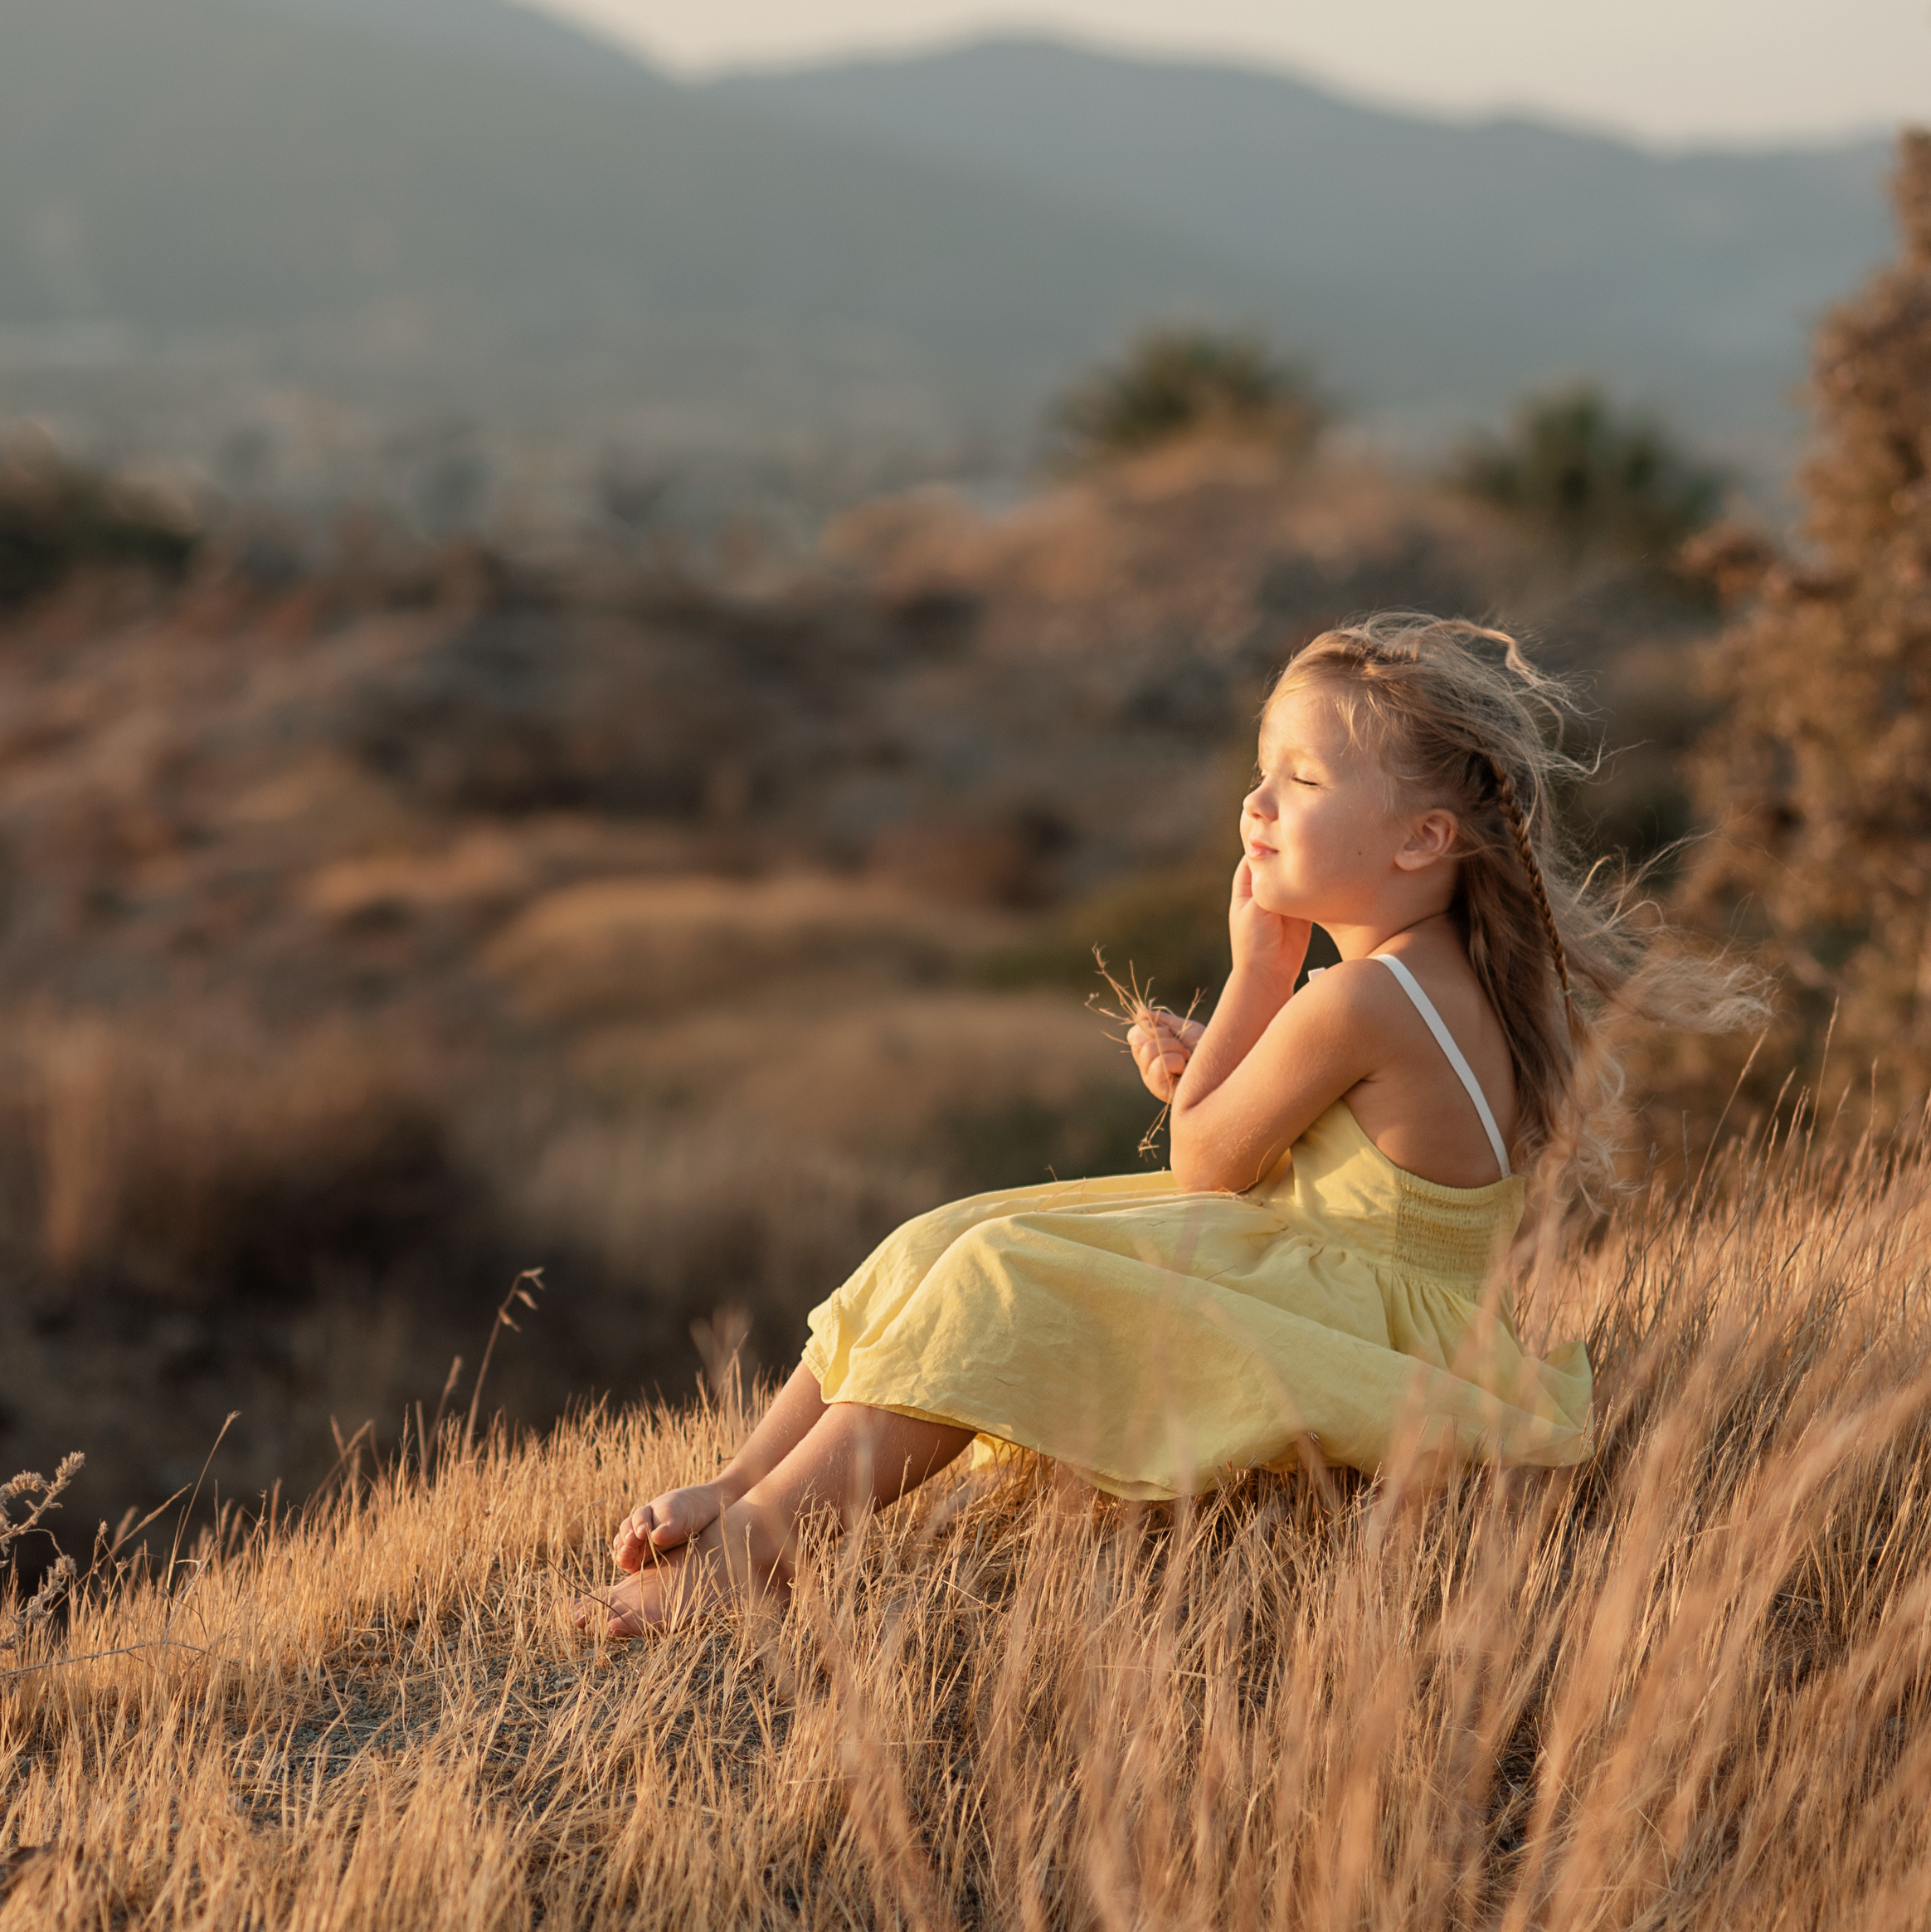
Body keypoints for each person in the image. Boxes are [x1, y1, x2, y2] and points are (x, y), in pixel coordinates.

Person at [577, 615, 1763, 1638]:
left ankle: (761, 1550)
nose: (1255, 805)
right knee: (952, 1233)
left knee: (996, 1274)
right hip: (1338, 1281)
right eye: (1261, 770)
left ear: (1420, 841)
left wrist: (1258, 974)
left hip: (1359, 1324)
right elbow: (1300, 1138)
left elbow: (1204, 1167)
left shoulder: (1357, 994)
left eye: (1299, 780)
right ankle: (741, 1482)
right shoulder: (1422, 977)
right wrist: (1231, 1061)